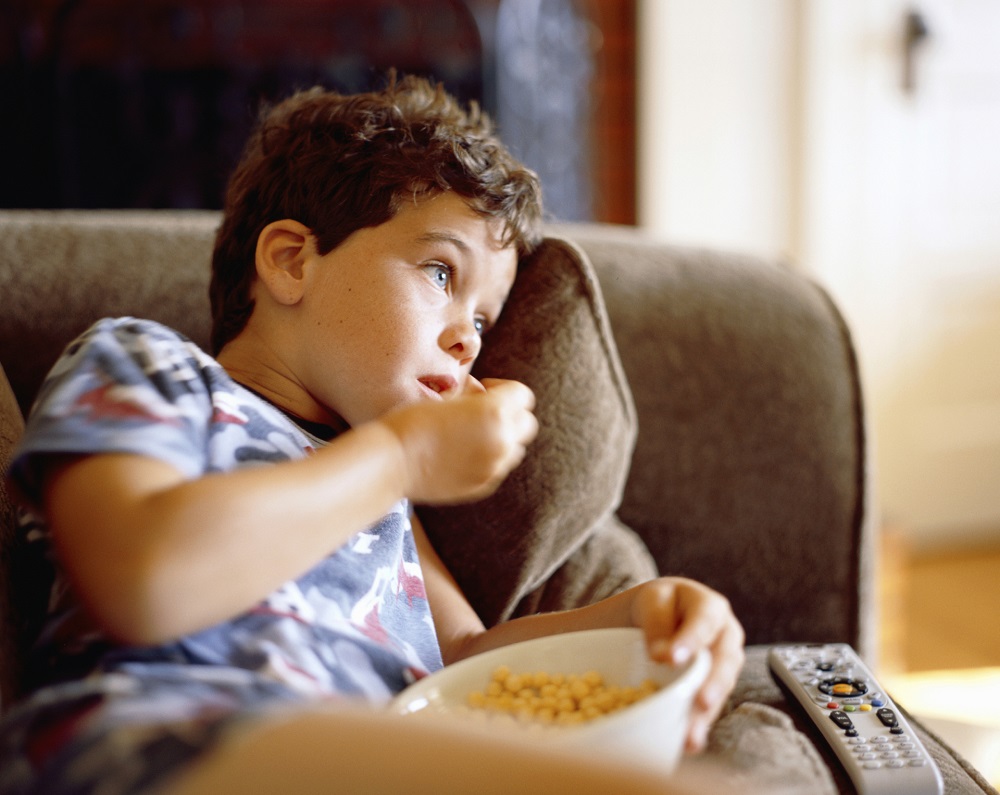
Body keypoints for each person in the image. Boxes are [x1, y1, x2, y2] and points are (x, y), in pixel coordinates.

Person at [0, 75, 744, 795]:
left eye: (483, 319)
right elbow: (141, 578)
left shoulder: (384, 495)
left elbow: (464, 658)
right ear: (292, 260)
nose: (469, 340)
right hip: (155, 743)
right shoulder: (145, 363)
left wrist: (639, 614)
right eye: (441, 273)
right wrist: (402, 456)